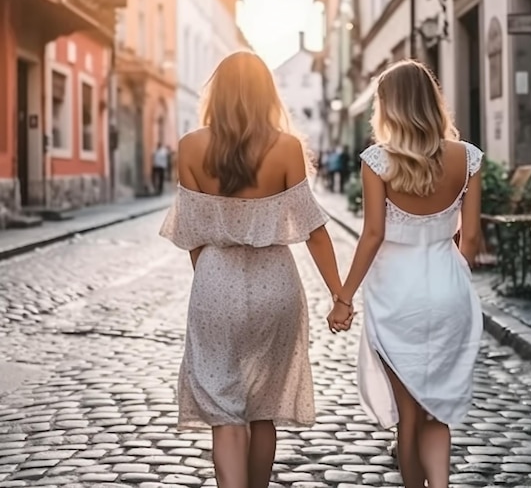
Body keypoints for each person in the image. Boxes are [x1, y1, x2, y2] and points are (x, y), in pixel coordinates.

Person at [159, 51, 350, 488]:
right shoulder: (286, 147)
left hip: (214, 279)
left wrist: (210, 283)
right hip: (276, 284)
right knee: (264, 408)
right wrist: (340, 295)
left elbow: (193, 234)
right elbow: (315, 231)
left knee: (223, 408)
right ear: (268, 92)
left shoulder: (190, 146)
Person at [327, 59, 483, 488]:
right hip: (448, 287)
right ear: (432, 101)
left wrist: (344, 297)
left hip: (396, 294)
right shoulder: (466, 158)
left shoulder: (377, 161)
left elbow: (373, 234)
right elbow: (469, 240)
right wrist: (452, 274)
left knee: (408, 417)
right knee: (437, 409)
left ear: (387, 107)